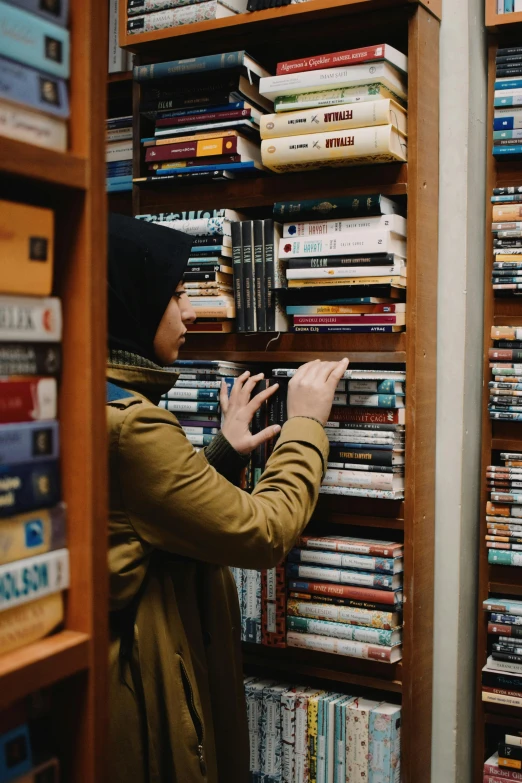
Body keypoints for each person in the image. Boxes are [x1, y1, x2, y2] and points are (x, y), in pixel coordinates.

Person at [106, 213, 348, 783]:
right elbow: (264, 532)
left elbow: (147, 518)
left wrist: (220, 455)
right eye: (173, 294)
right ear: (128, 303)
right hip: (142, 691)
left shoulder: (89, 392)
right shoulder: (132, 427)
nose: (190, 312)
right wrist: (306, 425)